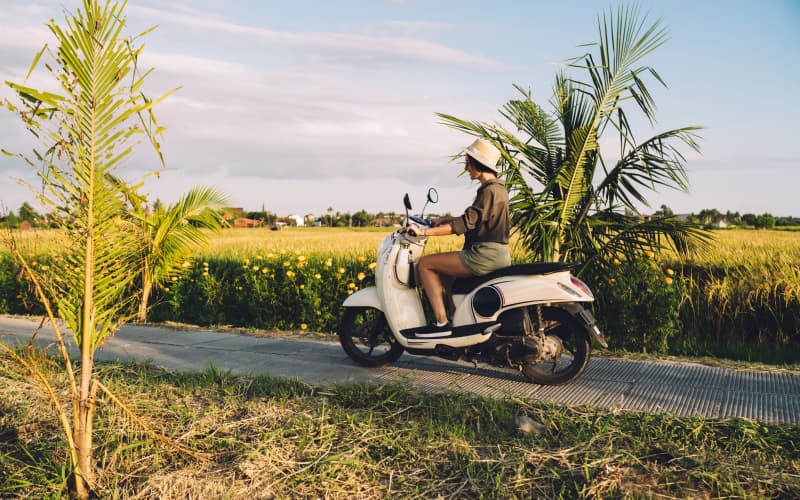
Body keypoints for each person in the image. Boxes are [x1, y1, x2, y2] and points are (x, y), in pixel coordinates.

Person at [409, 138, 511, 331]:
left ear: (479, 165)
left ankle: (442, 323)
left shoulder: (489, 191)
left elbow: (465, 224)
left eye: (468, 163)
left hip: (483, 256)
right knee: (446, 273)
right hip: (497, 254)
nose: (466, 168)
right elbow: (477, 218)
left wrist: (423, 231)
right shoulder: (498, 189)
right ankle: (458, 319)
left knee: (425, 264)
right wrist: (445, 220)